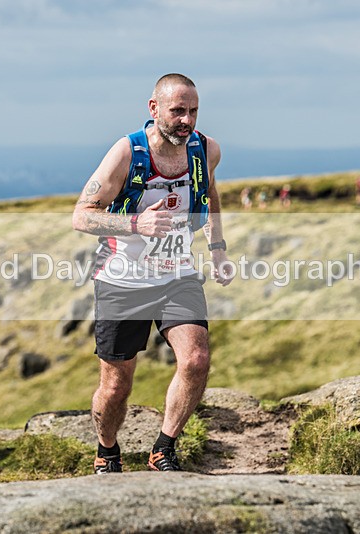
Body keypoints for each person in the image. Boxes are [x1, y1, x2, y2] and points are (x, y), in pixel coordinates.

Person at [72, 73, 234, 473]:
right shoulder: (127, 153)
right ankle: (107, 450)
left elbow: (210, 193)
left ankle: (164, 447)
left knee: (195, 359)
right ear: (154, 108)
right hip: (121, 279)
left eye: (193, 111)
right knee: (115, 385)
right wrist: (135, 224)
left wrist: (217, 249)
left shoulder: (206, 149)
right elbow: (82, 216)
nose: (187, 120)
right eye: (178, 111)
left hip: (178, 274)